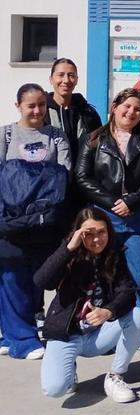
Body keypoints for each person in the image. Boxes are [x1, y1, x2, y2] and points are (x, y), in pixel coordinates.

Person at [75, 88, 140, 354]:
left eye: (137, 109)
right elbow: (82, 177)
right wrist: (112, 201)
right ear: (115, 107)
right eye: (126, 107)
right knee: (110, 275)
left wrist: (132, 201)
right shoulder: (94, 140)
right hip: (106, 217)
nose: (131, 113)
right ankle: (115, 329)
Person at [35, 208, 140, 402]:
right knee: (55, 389)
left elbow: (126, 292)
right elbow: (42, 281)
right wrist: (69, 247)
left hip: (98, 334)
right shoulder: (69, 254)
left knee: (138, 315)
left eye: (101, 232)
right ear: (78, 234)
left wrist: (108, 311)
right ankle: (68, 366)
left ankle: (115, 376)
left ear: (109, 231)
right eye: (89, 234)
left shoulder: (114, 252)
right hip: (67, 334)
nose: (96, 240)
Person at [0, 84, 71, 360]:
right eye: (31, 105)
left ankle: (11, 334)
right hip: (12, 222)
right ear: (18, 105)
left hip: (43, 222)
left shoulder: (56, 137)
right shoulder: (6, 135)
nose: (37, 110)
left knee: (34, 279)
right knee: (10, 278)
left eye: (42, 104)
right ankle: (23, 340)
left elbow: (63, 175)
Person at [44, 58, 102, 162]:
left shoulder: (88, 114)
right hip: (49, 176)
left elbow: (98, 149)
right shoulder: (42, 113)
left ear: (76, 80)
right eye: (61, 75)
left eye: (71, 75)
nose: (66, 80)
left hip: (80, 176)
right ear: (51, 79)